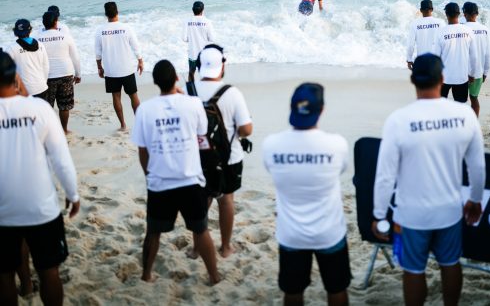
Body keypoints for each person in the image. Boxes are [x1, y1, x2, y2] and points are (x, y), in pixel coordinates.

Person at [372, 53, 485, 306]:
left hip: (411, 214)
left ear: (413, 80)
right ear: (442, 79)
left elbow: (385, 176)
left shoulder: (399, 120)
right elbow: (477, 165)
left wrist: (380, 215)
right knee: (450, 263)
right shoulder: (465, 115)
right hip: (448, 210)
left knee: (413, 270)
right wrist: (475, 199)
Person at [0, 51, 80, 306]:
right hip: (41, 207)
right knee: (49, 272)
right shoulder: (39, 109)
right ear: (15, 76)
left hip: (3, 211)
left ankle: (23, 285)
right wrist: (73, 193)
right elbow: (61, 158)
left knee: (3, 277)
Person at [131, 59, 220, 284]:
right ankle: (214, 275)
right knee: (201, 230)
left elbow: (143, 151)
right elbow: (202, 134)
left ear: (155, 82)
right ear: (177, 78)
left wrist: (148, 175)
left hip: (160, 181)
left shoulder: (144, 109)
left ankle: (146, 274)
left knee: (153, 232)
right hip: (190, 178)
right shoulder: (193, 104)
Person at [263, 83, 351, 306]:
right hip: (329, 232)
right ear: (322, 110)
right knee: (337, 288)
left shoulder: (272, 145)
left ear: (291, 108)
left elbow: (271, 169)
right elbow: (341, 169)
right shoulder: (336, 145)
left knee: (293, 291)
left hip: (292, 233)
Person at [190, 44, 252, 258]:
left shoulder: (189, 91)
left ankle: (197, 248)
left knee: (202, 201)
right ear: (222, 66)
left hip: (197, 157)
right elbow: (246, 130)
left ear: (199, 67)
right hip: (229, 157)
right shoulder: (232, 93)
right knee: (226, 200)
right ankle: (225, 247)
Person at [94, 1, 143, 130]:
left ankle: (122, 125)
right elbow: (136, 47)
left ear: (106, 14)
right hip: (126, 68)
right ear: (117, 11)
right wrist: (140, 61)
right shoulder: (126, 28)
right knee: (133, 95)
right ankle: (138, 123)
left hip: (111, 70)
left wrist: (99, 67)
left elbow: (98, 52)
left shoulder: (100, 30)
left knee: (116, 96)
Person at [38, 11, 81, 134]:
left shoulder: (37, 38)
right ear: (56, 22)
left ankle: (50, 132)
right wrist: (78, 74)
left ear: (43, 23)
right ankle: (64, 130)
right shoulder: (65, 36)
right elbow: (75, 57)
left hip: (47, 77)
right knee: (64, 106)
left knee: (47, 107)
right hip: (65, 74)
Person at [431, 3, 478, 103]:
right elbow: (474, 57)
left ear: (446, 14)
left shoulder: (440, 32)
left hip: (444, 78)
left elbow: (435, 58)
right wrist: (472, 74)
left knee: (440, 106)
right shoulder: (468, 31)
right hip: (462, 77)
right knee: (460, 107)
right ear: (459, 14)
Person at [6, 19, 49, 99]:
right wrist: (43, 81)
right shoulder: (40, 45)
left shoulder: (11, 48)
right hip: (41, 87)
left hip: (23, 90)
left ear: (15, 32)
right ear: (30, 30)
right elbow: (46, 66)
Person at [463, 2, 490, 117]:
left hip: (463, 71)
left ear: (464, 13)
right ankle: (474, 125)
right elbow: (488, 53)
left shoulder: (462, 28)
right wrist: (486, 72)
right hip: (479, 71)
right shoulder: (485, 29)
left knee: (461, 101)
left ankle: (463, 125)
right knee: (474, 98)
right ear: (477, 13)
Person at [406, 0, 445, 70]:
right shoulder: (440, 23)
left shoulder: (415, 24)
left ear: (421, 10)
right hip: (436, 60)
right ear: (432, 9)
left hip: (421, 61)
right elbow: (445, 42)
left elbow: (411, 45)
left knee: (423, 80)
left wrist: (409, 59)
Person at [182, 1, 214, 82]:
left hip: (192, 53)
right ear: (203, 10)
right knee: (204, 74)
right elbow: (212, 38)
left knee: (191, 72)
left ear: (193, 10)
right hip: (203, 53)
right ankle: (203, 89)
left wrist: (192, 38)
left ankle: (191, 89)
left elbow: (184, 38)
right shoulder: (207, 22)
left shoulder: (187, 21)